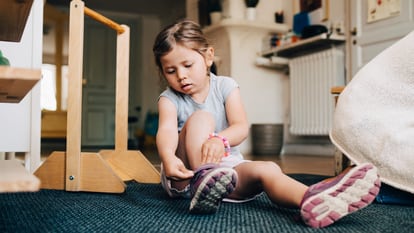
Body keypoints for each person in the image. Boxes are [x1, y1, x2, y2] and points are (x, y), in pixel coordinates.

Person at [152, 19, 381, 229]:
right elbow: (167, 131)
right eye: (171, 71)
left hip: (225, 170)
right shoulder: (169, 98)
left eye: (187, 65)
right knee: (202, 118)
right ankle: (203, 177)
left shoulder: (225, 86)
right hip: (185, 175)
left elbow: (241, 126)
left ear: (208, 57)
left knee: (268, 169)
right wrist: (168, 158)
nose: (181, 76)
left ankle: (312, 199)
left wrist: (220, 140)